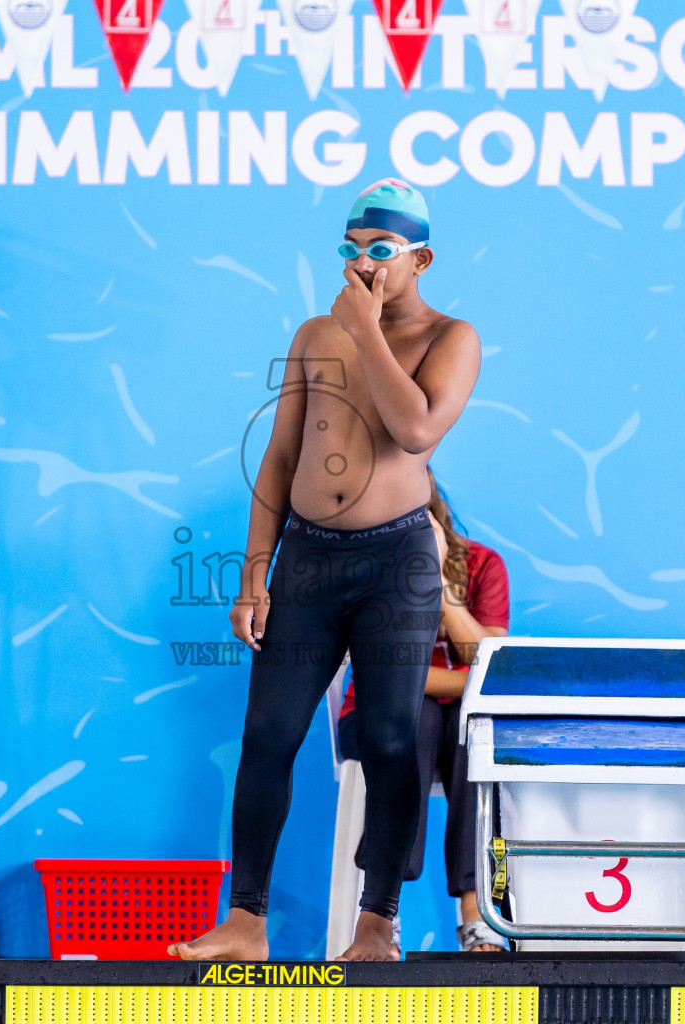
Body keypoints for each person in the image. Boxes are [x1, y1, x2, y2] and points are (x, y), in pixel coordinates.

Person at [171, 179, 482, 962]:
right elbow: (279, 459)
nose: (361, 265)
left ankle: (376, 923)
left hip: (397, 562)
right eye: (351, 251)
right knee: (268, 733)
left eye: (379, 252)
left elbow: (414, 428)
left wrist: (367, 330)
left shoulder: (452, 338)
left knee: (387, 737)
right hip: (308, 559)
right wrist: (253, 576)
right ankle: (246, 921)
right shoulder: (317, 334)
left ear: (421, 259)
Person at [337, 470, 509, 953]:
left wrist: (439, 585)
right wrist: (467, 682)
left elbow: (491, 658)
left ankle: (478, 914)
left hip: (457, 724)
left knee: (473, 730)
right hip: (375, 719)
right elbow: (384, 674)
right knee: (421, 717)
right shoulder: (367, 569)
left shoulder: (481, 564)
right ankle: (380, 910)